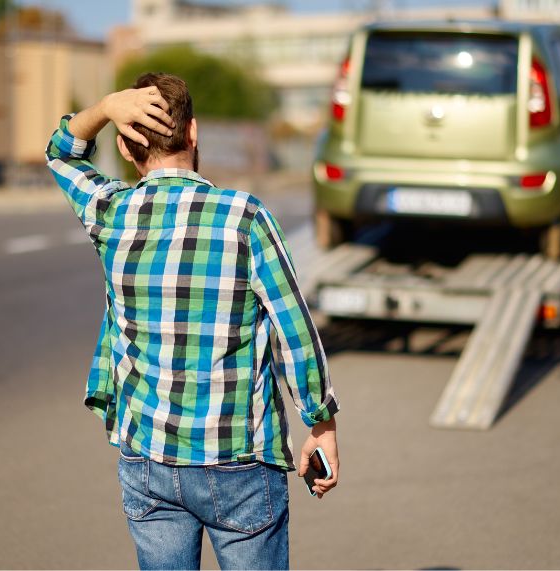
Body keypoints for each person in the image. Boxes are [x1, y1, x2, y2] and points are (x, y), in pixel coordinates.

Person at [45, 72, 339, 570]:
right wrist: (321, 421)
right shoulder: (245, 217)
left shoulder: (110, 211)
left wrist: (103, 108)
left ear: (124, 144)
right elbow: (295, 330)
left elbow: (61, 153)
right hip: (239, 461)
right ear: (194, 133)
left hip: (149, 457)